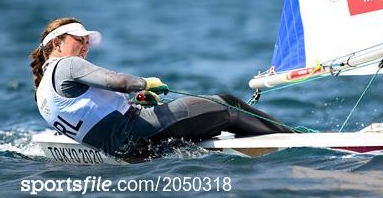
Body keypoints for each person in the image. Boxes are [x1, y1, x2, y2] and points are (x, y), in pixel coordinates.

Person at [30, 17, 293, 158]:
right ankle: (295, 142)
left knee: (203, 118)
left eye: (87, 41)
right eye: (79, 40)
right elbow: (118, 81)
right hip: (141, 131)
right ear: (57, 44)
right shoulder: (67, 65)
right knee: (228, 104)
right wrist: (145, 83)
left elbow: (91, 113)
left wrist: (138, 100)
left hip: (126, 151)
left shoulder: (41, 91)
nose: (85, 46)